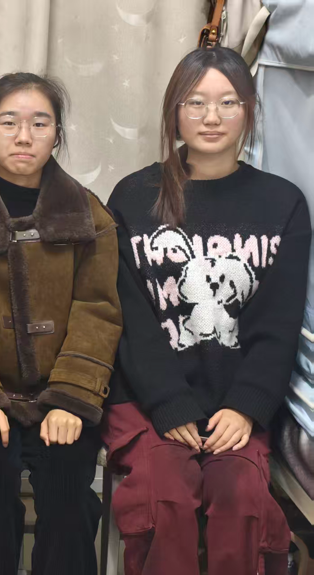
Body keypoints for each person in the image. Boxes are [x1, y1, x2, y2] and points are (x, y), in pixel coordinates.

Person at [104, 47, 310, 575]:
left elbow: (279, 324)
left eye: (228, 102)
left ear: (249, 110)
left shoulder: (282, 202)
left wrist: (245, 407)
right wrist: (169, 403)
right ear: (174, 111)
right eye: (195, 103)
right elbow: (129, 318)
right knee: (164, 497)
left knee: (240, 496)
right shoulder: (133, 196)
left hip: (236, 404)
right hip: (149, 400)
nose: (211, 117)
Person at [0, 72, 123, 574]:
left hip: (63, 398)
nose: (23, 136)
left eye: (40, 123)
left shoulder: (90, 217)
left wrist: (70, 398)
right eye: (8, 122)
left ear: (56, 134)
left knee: (68, 498)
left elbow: (98, 313)